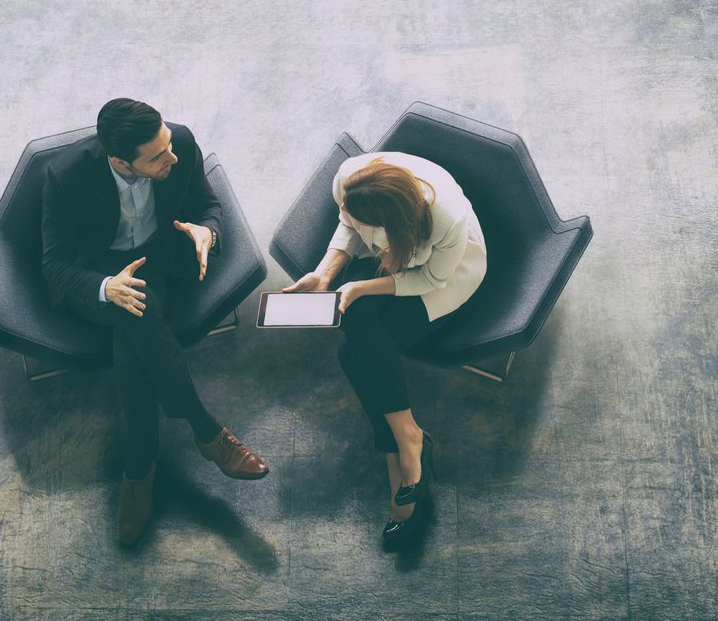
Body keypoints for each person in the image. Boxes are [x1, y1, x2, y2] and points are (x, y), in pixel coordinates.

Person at [42, 98, 268, 547]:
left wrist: (209, 232)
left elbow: (208, 205)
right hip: (98, 275)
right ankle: (207, 433)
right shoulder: (67, 175)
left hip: (155, 259)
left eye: (167, 145)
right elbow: (53, 265)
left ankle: (139, 472)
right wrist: (107, 286)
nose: (173, 157)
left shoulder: (178, 141)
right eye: (158, 156)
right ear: (120, 161)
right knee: (136, 312)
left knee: (135, 345)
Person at [282, 151, 487, 550]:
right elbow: (347, 221)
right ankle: (407, 438)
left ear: (390, 223)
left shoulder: (448, 219)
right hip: (391, 262)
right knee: (357, 340)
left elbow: (429, 277)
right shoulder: (349, 178)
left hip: (444, 279)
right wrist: (326, 273)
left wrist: (360, 286)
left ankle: (402, 446)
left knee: (354, 348)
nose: (344, 211)